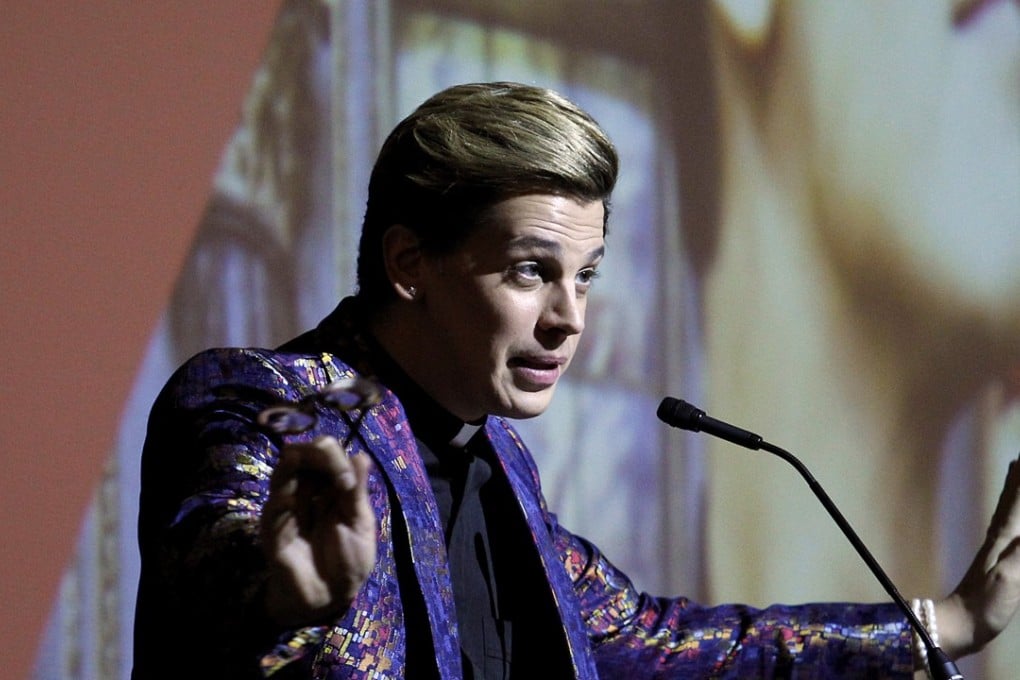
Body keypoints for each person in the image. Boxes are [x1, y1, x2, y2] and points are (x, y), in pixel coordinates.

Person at [132, 82, 1020, 679]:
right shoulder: (265, 399)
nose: (570, 318)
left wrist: (944, 623)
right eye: (529, 271)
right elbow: (215, 550)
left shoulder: (502, 461)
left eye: (586, 274)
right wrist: (283, 590)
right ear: (409, 261)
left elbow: (659, 641)